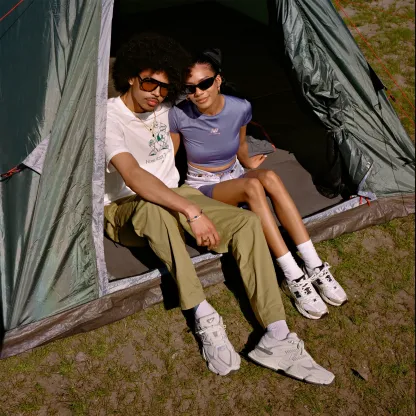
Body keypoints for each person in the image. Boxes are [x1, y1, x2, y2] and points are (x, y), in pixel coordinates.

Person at [104, 33, 335, 384]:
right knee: (155, 211)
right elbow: (134, 176)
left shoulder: (166, 107)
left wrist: (240, 151)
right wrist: (192, 212)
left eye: (165, 88)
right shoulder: (109, 117)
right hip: (127, 206)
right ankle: (203, 314)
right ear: (132, 77)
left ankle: (277, 335)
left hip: (175, 193)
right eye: (150, 84)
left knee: (247, 223)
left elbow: (213, 101)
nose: (157, 94)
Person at [169, 49, 348, 321]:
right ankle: (293, 275)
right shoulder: (178, 115)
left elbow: (240, 143)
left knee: (270, 177)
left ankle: (314, 264)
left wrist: (248, 163)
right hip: (203, 186)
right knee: (253, 188)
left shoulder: (240, 107)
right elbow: (169, 157)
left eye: (204, 83)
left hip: (234, 173)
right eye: (190, 88)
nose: (198, 93)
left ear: (218, 80)